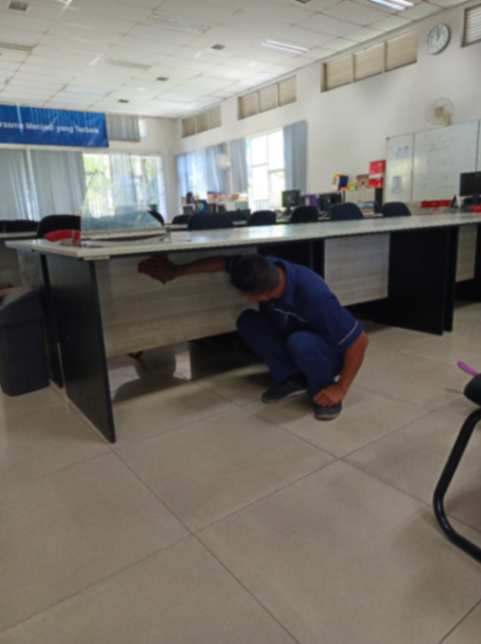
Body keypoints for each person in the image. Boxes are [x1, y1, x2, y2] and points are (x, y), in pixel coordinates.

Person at [138, 253, 369, 421]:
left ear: (262, 296)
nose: (238, 293)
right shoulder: (261, 267)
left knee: (300, 342)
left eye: (241, 293)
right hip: (295, 337)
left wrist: (341, 388)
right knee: (248, 321)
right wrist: (176, 271)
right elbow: (223, 262)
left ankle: (324, 390)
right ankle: (295, 378)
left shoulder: (314, 296)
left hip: (328, 353)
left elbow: (359, 341)